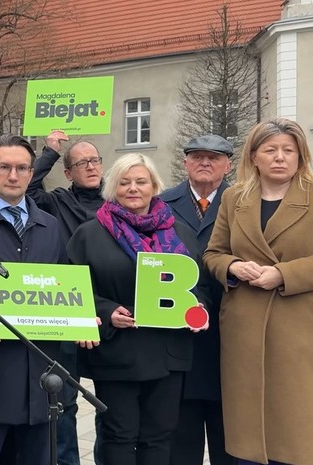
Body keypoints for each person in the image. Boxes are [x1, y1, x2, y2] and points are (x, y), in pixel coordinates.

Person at [66, 152, 208, 465]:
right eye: (124, 182)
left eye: (141, 181)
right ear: (112, 188)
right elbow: (74, 291)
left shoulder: (180, 232)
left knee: (159, 436)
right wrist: (107, 311)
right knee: (119, 435)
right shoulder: (90, 234)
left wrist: (198, 309)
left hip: (169, 352)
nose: (133, 188)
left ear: (154, 186)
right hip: (118, 353)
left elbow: (201, 287)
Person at [204, 118, 313, 465]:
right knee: (249, 437)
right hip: (244, 329)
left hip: (301, 327)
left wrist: (283, 274)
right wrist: (232, 267)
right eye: (270, 150)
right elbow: (213, 253)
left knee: (299, 430)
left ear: (300, 156)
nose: (280, 157)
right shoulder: (234, 198)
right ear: (253, 156)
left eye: (289, 150)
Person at [0, 135, 64, 465]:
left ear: (32, 173)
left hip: (40, 377)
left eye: (22, 168)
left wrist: (80, 319)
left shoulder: (51, 227)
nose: (13, 175)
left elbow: (64, 287)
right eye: (4, 167)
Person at [27, 130, 106, 465]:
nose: (90, 167)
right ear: (69, 172)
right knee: (65, 401)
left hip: (108, 310)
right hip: (70, 308)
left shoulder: (116, 204)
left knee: (111, 403)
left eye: (94, 160)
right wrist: (50, 151)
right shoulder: (57, 202)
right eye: (81, 163)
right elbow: (29, 187)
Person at [161, 134, 235, 465]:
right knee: (182, 440)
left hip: (228, 329)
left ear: (228, 165)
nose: (205, 162)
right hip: (179, 333)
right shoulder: (162, 203)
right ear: (185, 162)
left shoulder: (242, 202)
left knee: (229, 440)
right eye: (197, 156)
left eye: (213, 157)